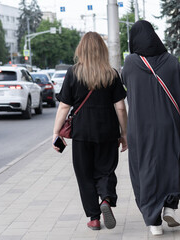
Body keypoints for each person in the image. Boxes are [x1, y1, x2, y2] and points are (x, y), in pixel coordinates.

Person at [121, 20, 180, 236]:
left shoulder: (130, 63)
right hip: (171, 127)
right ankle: (169, 206)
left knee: (144, 171)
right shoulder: (172, 62)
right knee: (170, 167)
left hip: (140, 129)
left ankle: (153, 221)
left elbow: (125, 85)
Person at [52, 32, 128, 231]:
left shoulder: (73, 73)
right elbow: (120, 107)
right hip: (108, 132)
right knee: (106, 170)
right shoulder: (111, 74)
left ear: (81, 50)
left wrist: (56, 132)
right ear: (102, 50)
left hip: (82, 133)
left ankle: (94, 218)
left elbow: (63, 107)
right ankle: (107, 200)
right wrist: (124, 133)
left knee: (84, 175)